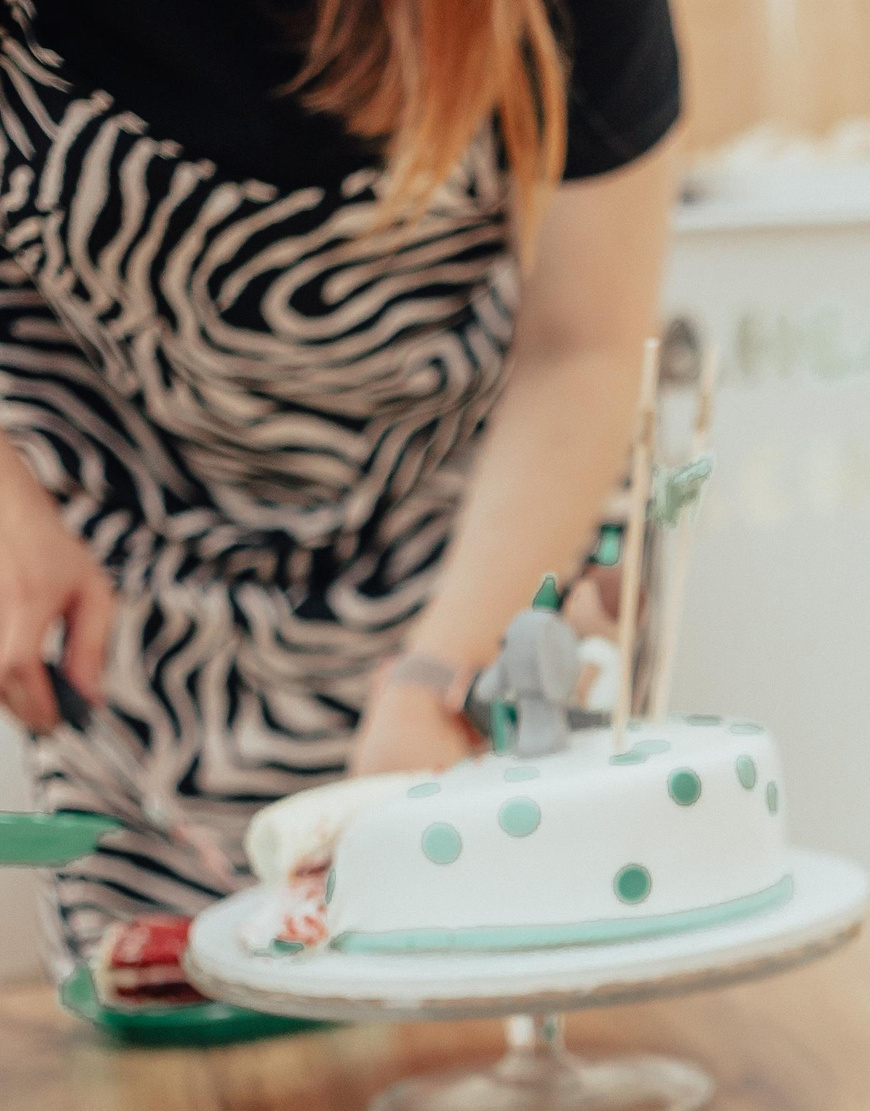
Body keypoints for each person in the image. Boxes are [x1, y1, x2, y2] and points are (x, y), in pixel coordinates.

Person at [0, 0, 680, 974]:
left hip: (484, 542)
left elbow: (586, 348)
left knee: (524, 992)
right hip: (134, 605)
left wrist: (439, 675)